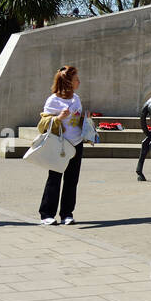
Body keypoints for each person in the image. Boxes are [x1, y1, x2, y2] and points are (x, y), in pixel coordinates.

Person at [38, 65, 88, 225]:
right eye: (76, 79)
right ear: (67, 82)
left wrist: (87, 125)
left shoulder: (76, 98)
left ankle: (67, 213)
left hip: (76, 144)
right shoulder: (53, 100)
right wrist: (58, 117)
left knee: (72, 180)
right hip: (59, 145)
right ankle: (46, 214)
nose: (79, 82)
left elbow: (78, 119)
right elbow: (42, 124)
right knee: (54, 178)